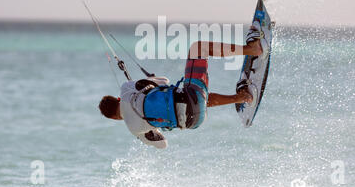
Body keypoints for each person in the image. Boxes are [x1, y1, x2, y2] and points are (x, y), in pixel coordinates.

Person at [98, 29, 263, 149]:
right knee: (198, 49)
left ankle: (244, 97)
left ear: (116, 118)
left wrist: (151, 128)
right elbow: (164, 81)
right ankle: (252, 49)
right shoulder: (126, 89)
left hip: (194, 122)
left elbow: (162, 145)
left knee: (195, 100)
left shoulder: (134, 129)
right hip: (190, 97)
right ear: (117, 99)